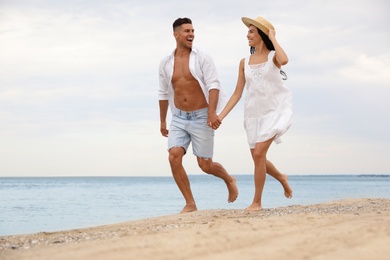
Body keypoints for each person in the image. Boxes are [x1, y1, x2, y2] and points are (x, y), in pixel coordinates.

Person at [158, 17, 238, 213]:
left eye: (192, 30)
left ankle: (229, 179)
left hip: (202, 116)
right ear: (176, 34)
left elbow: (213, 85)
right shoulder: (166, 63)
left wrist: (212, 113)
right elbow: (162, 92)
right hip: (178, 117)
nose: (191, 34)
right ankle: (190, 203)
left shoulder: (202, 57)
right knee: (173, 157)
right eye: (186, 31)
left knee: (205, 165)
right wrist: (162, 120)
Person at [218, 16, 293, 211]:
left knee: (259, 154)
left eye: (251, 31)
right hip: (252, 115)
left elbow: (284, 60)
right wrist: (220, 116)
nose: (247, 34)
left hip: (274, 112)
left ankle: (257, 202)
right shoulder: (244, 62)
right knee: (258, 158)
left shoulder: (273, 57)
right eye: (248, 31)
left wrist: (273, 38)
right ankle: (282, 178)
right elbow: (236, 94)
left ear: (262, 34)